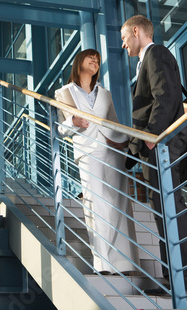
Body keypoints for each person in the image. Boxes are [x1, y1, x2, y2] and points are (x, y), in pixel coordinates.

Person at [121, 15, 187, 297]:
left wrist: (150, 138)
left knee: (169, 209)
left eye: (125, 37)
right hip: (158, 146)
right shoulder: (147, 60)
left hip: (161, 145)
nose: (123, 44)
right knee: (168, 210)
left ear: (136, 31)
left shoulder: (156, 54)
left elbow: (166, 96)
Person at [54, 49, 139, 275]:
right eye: (91, 57)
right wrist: (73, 120)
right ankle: (103, 263)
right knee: (96, 202)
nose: (95, 61)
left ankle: (125, 263)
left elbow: (114, 122)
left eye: (98, 60)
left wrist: (123, 142)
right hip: (87, 151)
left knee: (119, 202)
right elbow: (61, 128)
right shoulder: (64, 93)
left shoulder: (105, 93)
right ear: (78, 62)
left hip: (112, 148)